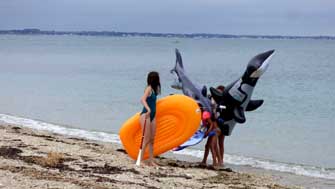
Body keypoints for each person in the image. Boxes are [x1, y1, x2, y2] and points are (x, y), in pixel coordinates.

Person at [138, 71, 161, 166]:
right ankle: (140, 160)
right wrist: (148, 109)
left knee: (152, 139)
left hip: (152, 116)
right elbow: (142, 99)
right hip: (145, 115)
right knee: (146, 139)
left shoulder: (154, 90)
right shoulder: (148, 89)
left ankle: (151, 161)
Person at [213, 85, 226, 166]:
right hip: (218, 123)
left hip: (222, 123)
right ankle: (220, 160)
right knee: (217, 143)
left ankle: (220, 160)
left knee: (220, 142)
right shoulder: (221, 101)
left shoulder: (223, 101)